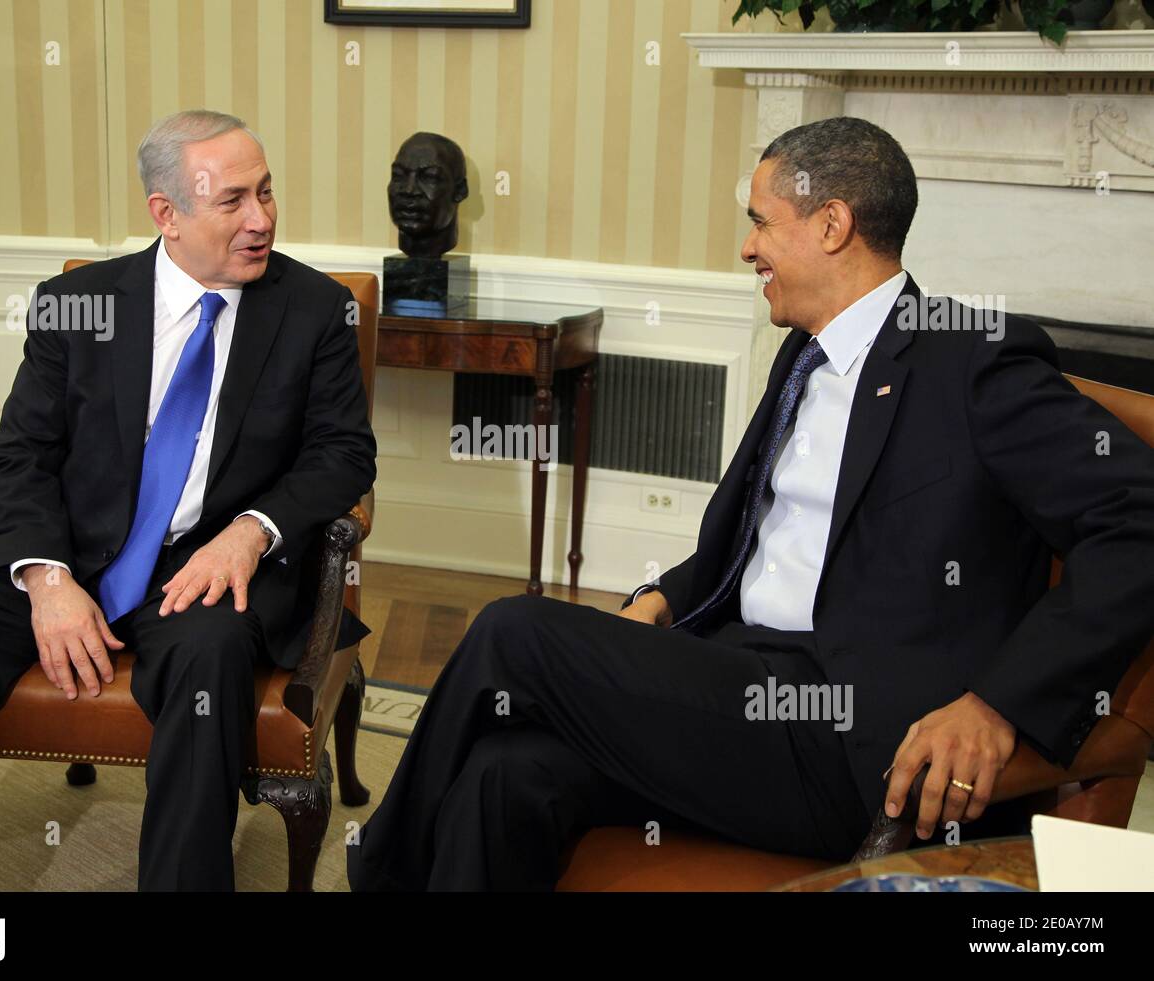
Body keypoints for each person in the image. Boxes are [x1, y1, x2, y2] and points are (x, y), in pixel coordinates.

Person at [348, 116, 1154, 891]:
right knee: (508, 774)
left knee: (512, 628)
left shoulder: (974, 359)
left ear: (832, 223)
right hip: (738, 682)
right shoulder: (803, 354)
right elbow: (754, 545)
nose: (746, 248)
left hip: (849, 736)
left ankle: (378, 875)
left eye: (760, 222)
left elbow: (1138, 520)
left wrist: (997, 704)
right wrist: (663, 597)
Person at [0, 110, 377, 892]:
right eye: (233, 200)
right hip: (72, 546)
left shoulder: (314, 311)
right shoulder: (79, 303)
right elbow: (21, 454)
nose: (262, 219)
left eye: (267, 193)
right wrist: (46, 577)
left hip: (203, 567)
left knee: (210, 657)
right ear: (166, 214)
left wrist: (249, 531)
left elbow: (344, 455)